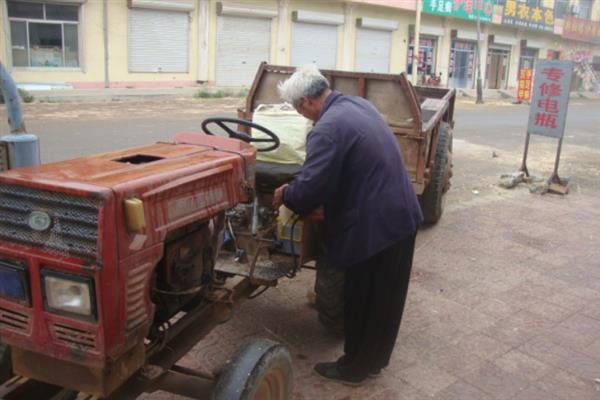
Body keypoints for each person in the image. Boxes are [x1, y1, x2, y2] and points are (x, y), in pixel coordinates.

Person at [272, 64, 423, 386]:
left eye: (298, 109)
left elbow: (311, 189)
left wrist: (287, 194)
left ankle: (353, 368)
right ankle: (373, 362)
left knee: (361, 300)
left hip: (375, 227)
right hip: (401, 216)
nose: (301, 115)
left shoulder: (326, 129)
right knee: (385, 300)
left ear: (306, 102)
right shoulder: (358, 105)